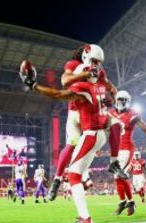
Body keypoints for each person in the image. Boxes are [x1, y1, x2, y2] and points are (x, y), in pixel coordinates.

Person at [19, 56, 111, 223]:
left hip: (91, 134)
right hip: (99, 135)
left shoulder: (85, 87)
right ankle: (86, 185)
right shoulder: (99, 87)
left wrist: (34, 86)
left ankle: (85, 218)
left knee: (74, 175)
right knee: (77, 171)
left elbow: (57, 94)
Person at [47, 44, 125, 201]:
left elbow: (110, 86)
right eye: (94, 61)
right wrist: (84, 74)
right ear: (86, 56)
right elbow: (65, 81)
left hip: (91, 111)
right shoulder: (73, 65)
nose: (96, 65)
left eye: (98, 62)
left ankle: (112, 162)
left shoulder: (99, 71)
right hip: (75, 112)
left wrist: (115, 97)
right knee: (72, 143)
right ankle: (57, 179)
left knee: (117, 124)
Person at [108, 90, 146, 216]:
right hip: (115, 149)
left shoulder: (132, 115)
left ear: (128, 102)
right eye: (119, 99)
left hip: (126, 148)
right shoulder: (110, 113)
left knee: (121, 174)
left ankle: (126, 202)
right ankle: (127, 202)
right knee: (117, 177)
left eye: (123, 100)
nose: (120, 102)